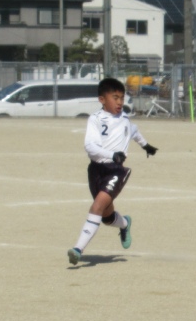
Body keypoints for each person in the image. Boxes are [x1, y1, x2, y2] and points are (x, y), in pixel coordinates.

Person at [67, 77, 158, 265]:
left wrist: (146, 146)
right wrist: (111, 153)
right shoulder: (95, 119)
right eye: (115, 98)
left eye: (122, 98)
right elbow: (90, 147)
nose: (119, 102)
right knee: (106, 216)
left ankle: (77, 249)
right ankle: (124, 223)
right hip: (96, 170)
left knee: (97, 207)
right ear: (102, 99)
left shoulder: (125, 118)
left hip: (116, 171)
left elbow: (134, 131)